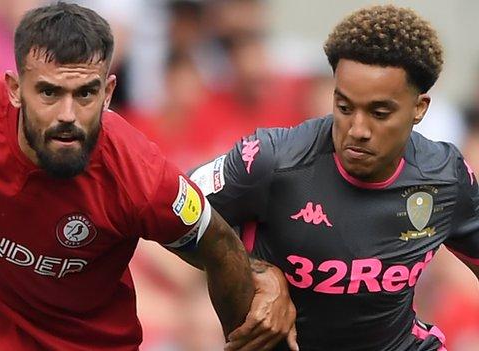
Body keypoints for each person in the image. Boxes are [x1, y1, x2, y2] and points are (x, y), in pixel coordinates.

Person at [0, 2, 297, 350]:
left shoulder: (141, 176)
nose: (68, 115)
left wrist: (261, 288)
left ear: (108, 92)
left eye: (85, 93)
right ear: (14, 88)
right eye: (48, 92)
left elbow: (218, 246)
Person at [191, 5, 479, 351]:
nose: (357, 130)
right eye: (344, 107)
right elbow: (174, 211)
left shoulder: (445, 176)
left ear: (419, 108)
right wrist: (257, 272)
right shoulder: (272, 160)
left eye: (379, 113)